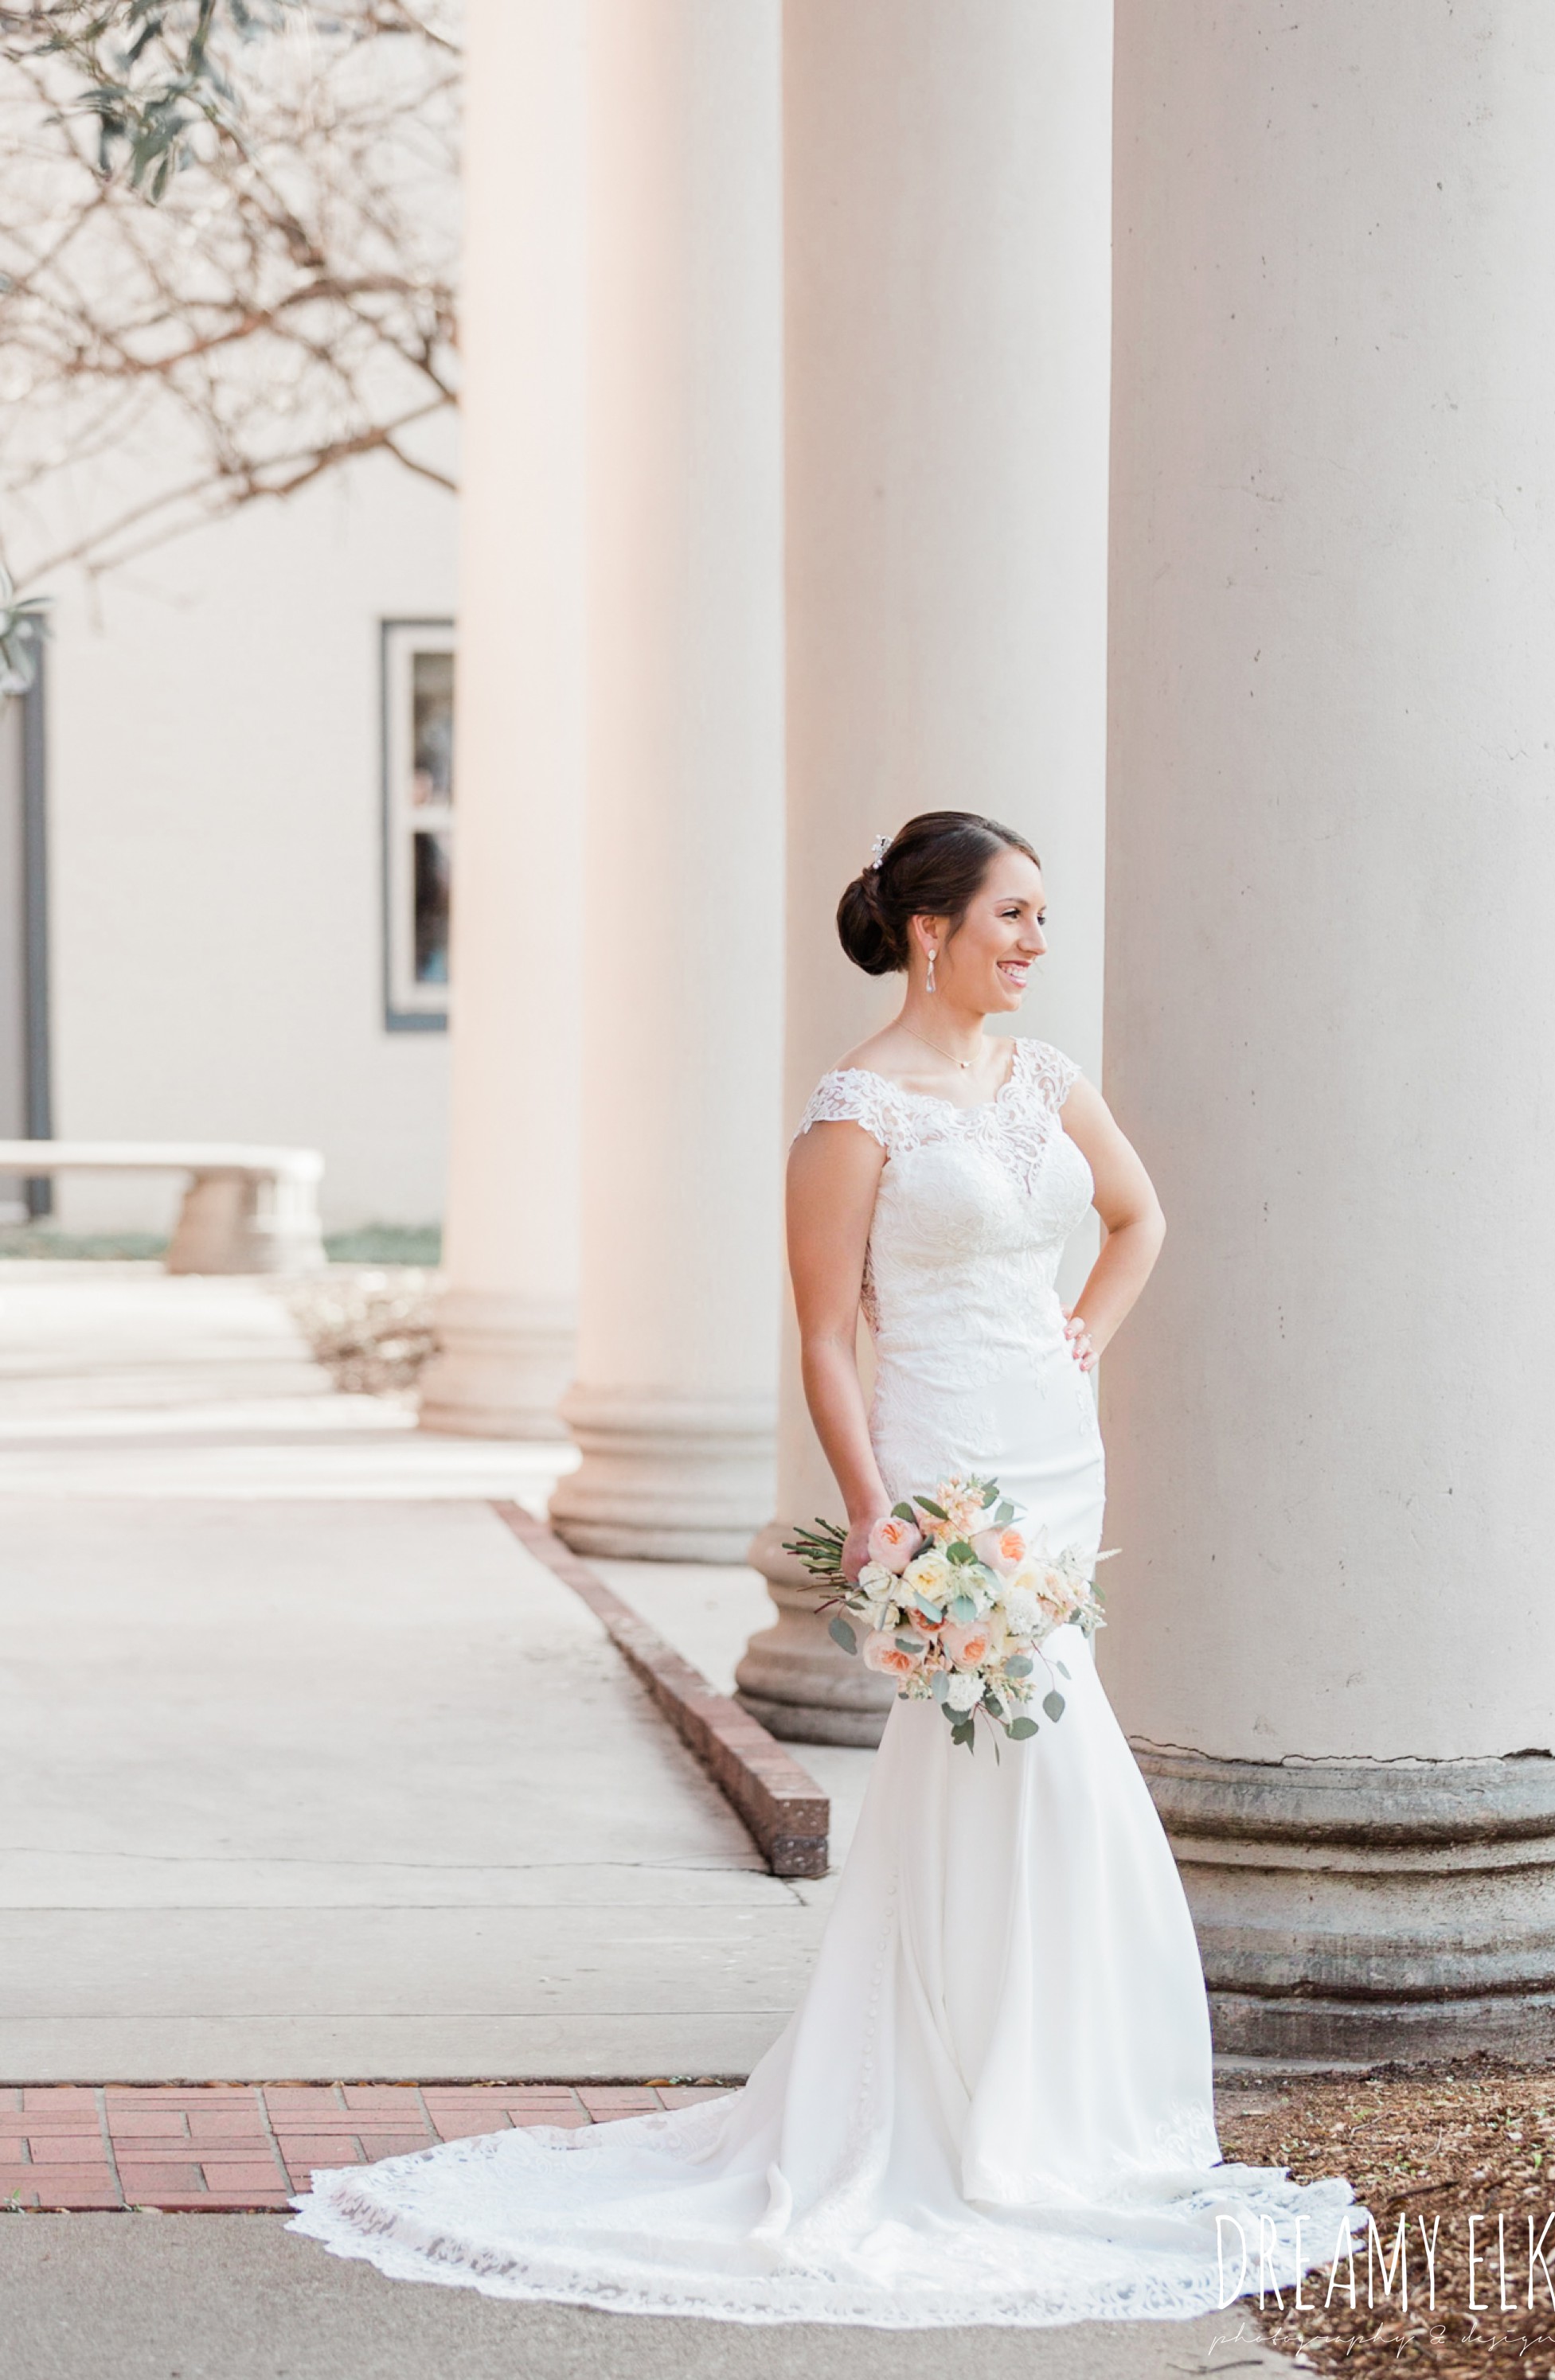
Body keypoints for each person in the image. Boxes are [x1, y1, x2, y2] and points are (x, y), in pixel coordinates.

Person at [290, 810, 1359, 2324]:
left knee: (1026, 1757)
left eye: (1044, 916)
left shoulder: (1046, 1079)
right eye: (1016, 916)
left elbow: (1138, 1216)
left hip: (1052, 1457)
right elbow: (823, 1333)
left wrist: (1083, 1341)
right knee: (1022, 1759)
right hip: (940, 1468)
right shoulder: (855, 1110)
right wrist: (875, 1509)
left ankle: (1046, 2095)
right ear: (934, 932)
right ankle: (980, 2104)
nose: (1039, 943)